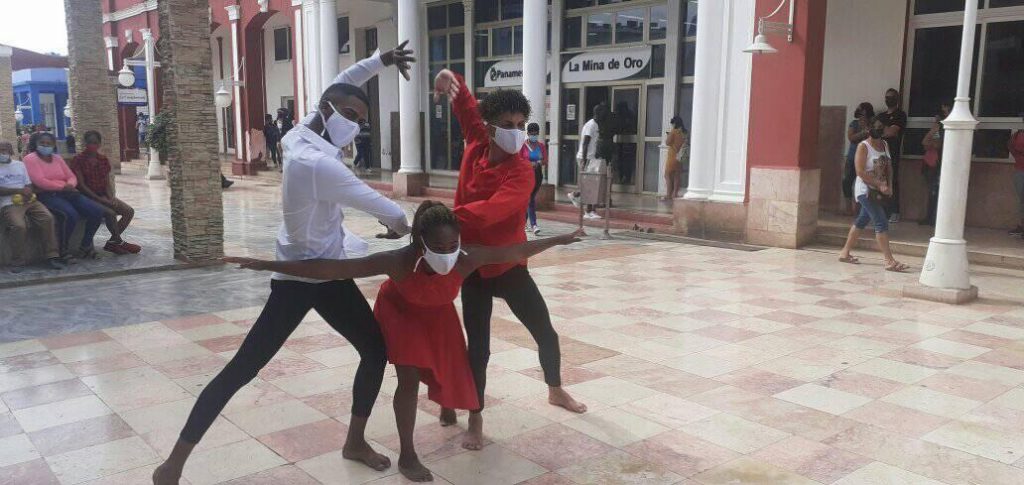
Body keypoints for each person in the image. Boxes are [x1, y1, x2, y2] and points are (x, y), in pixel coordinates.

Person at [152, 40, 416, 485]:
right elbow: (389, 211)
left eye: (361, 121)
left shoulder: (300, 133)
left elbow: (344, 83)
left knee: (374, 349)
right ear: (328, 110)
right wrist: (401, 228)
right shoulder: (318, 164)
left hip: (328, 270)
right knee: (244, 366)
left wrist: (381, 62)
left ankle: (354, 441)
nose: (356, 127)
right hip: (300, 278)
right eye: (352, 118)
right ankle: (172, 465)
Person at [224, 201, 583, 482]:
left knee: (449, 368)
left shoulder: (468, 258)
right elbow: (333, 270)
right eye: (438, 246)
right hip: (401, 311)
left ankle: (446, 405)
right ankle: (408, 453)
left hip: (438, 310)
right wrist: (266, 265)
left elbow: (515, 251)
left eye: (453, 244)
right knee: (409, 378)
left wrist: (560, 240)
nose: (447, 252)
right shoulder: (398, 260)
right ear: (420, 242)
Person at [432, 68, 587, 451]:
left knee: (545, 332)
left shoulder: (522, 171)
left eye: (521, 123)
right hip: (472, 268)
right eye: (507, 123)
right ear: (489, 127)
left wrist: (445, 221)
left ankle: (555, 389)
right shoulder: (476, 142)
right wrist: (451, 80)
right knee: (478, 348)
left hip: (508, 265)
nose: (517, 131)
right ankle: (476, 417)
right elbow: (467, 108)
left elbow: (491, 211)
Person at [838, 116, 909, 272]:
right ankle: (889, 260)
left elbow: (889, 166)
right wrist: (879, 184)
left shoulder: (884, 144)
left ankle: (845, 252)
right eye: (876, 127)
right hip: (865, 190)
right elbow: (860, 172)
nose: (879, 130)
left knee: (862, 220)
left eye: (881, 127)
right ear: (869, 129)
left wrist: (889, 185)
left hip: (879, 189)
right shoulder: (863, 147)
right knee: (881, 222)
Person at [23, 132, 105, 261]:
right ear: (36, 144)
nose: (45, 145)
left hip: (68, 192)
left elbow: (71, 176)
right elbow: (40, 181)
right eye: (42, 143)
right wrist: (63, 186)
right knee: (70, 214)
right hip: (46, 195)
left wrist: (70, 185)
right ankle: (63, 250)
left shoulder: (57, 158)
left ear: (53, 145)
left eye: (48, 143)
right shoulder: (30, 159)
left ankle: (85, 246)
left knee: (97, 211)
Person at [69, 131, 141, 255]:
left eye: (95, 143)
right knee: (110, 213)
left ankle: (113, 242)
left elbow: (106, 182)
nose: (93, 145)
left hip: (103, 194)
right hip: (87, 197)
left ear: (99, 144)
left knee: (128, 211)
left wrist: (110, 197)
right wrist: (101, 199)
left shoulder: (102, 160)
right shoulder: (78, 160)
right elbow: (81, 185)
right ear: (85, 144)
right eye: (90, 143)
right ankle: (119, 242)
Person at [0, 142, 64, 272]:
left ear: (11, 151)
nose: (2, 153)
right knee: (19, 226)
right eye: (0, 150)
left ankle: (51, 256)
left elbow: (28, 184)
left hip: (29, 201)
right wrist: (18, 191)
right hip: (9, 203)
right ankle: (17, 260)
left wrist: (27, 192)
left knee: (48, 218)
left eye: (5, 150)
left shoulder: (19, 165)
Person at [567, 105, 607, 219]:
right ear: (598, 113)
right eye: (603, 114)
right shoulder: (591, 125)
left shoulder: (595, 124)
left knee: (592, 184)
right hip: (586, 158)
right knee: (589, 185)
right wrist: (584, 160)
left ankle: (585, 205)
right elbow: (585, 143)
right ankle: (588, 211)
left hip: (592, 158)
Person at [877, 88, 907, 223]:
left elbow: (892, 132)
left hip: (892, 153)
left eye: (891, 97)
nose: (888, 99)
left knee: (892, 181)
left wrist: (883, 130)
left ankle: (895, 211)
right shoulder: (881, 116)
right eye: (887, 97)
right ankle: (881, 212)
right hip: (879, 153)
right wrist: (884, 129)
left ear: (897, 99)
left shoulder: (900, 115)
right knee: (879, 181)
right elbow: (876, 132)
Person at [920, 103, 950, 227]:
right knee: (934, 191)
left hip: (945, 164)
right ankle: (931, 217)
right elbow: (926, 142)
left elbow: (932, 143)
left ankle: (936, 218)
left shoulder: (947, 127)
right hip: (936, 164)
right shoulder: (939, 128)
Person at [844, 102, 874, 215]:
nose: (862, 117)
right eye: (860, 114)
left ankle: (861, 210)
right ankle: (848, 209)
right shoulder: (854, 124)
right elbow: (851, 137)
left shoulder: (872, 125)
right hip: (852, 157)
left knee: (863, 184)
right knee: (847, 181)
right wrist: (863, 133)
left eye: (864, 114)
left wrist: (868, 130)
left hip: (866, 160)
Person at [520, 122, 547, 235]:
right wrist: (528, 164)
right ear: (528, 133)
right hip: (526, 175)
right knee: (530, 199)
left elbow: (545, 160)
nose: (534, 136)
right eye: (532, 133)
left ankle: (522, 223)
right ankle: (534, 224)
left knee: (529, 199)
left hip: (537, 175)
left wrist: (540, 162)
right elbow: (518, 161)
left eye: (536, 134)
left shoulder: (541, 146)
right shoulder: (523, 146)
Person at [662, 116, 687, 201]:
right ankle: (674, 194)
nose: (672, 125)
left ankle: (668, 194)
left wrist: (669, 135)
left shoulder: (674, 132)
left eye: (672, 124)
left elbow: (667, 143)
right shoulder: (684, 132)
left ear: (675, 123)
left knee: (667, 175)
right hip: (680, 156)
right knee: (677, 176)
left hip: (672, 156)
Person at [1010, 113, 1024, 238]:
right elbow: (1011, 148)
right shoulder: (1017, 135)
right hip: (1020, 170)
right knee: (1022, 201)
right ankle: (1021, 226)